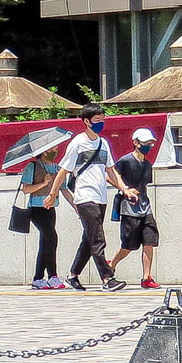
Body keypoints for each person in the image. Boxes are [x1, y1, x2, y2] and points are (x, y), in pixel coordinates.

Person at [57, 105, 130, 292]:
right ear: (86, 122)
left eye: (103, 120)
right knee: (97, 238)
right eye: (97, 120)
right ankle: (107, 278)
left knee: (89, 238)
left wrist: (124, 188)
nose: (101, 123)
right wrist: (52, 195)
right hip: (84, 196)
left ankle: (73, 276)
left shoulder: (103, 143)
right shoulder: (77, 143)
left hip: (100, 197)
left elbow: (111, 170)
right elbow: (63, 170)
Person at [106, 126, 162, 289]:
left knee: (149, 241)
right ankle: (111, 264)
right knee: (129, 245)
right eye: (145, 143)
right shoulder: (125, 161)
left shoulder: (147, 164)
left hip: (145, 207)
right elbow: (109, 175)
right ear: (135, 143)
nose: (148, 147)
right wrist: (124, 188)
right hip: (129, 208)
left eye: (150, 143)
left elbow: (144, 185)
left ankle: (146, 277)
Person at [13, 141, 66, 289]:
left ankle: (38, 278)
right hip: (37, 209)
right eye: (53, 147)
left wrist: (76, 206)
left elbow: (64, 189)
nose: (56, 149)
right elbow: (26, 189)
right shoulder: (33, 166)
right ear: (44, 150)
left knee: (46, 242)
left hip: (51, 209)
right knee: (52, 237)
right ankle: (52, 276)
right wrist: (43, 183)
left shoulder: (57, 168)